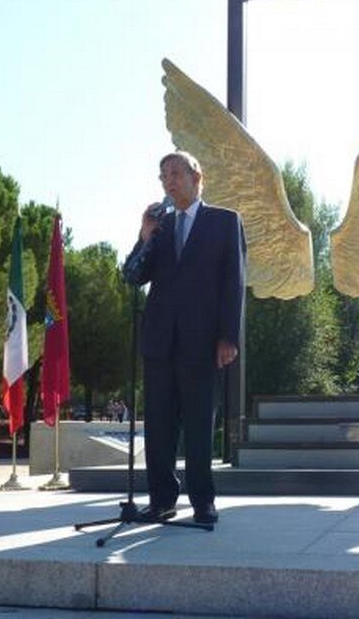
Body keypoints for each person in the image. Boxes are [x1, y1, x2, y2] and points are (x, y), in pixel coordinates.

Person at [123, 151, 246, 525]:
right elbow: (131, 276)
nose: (169, 181)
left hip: (202, 341)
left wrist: (228, 336)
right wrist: (144, 237)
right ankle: (161, 499)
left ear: (198, 176)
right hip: (160, 341)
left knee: (198, 426)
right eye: (163, 176)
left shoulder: (224, 222)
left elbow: (233, 282)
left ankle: (203, 502)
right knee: (158, 427)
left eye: (176, 172)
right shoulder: (158, 227)